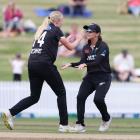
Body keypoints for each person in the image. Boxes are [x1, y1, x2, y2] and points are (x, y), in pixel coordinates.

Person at [2, 11, 82, 132]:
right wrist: (80, 38)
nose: (62, 22)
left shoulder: (43, 29)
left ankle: (9, 112)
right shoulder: (56, 29)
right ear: (57, 21)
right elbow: (71, 48)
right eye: (62, 20)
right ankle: (64, 125)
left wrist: (65, 41)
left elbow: (49, 45)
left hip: (32, 63)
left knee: (34, 97)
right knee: (61, 93)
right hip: (44, 64)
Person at [62, 23, 112, 132]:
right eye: (87, 31)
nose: (87, 33)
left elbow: (98, 61)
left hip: (103, 77)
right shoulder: (86, 47)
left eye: (90, 31)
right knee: (80, 97)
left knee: (98, 99)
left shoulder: (103, 46)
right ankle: (80, 125)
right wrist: (70, 64)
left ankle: (106, 118)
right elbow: (81, 62)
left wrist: (85, 65)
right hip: (90, 77)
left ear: (97, 34)